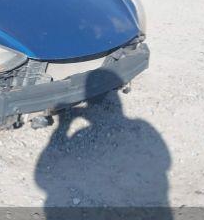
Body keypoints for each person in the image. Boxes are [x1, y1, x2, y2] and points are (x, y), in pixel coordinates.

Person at [34, 70, 172, 219]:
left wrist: (63, 126)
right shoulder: (142, 127)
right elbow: (165, 162)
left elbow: (40, 177)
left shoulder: (81, 134)